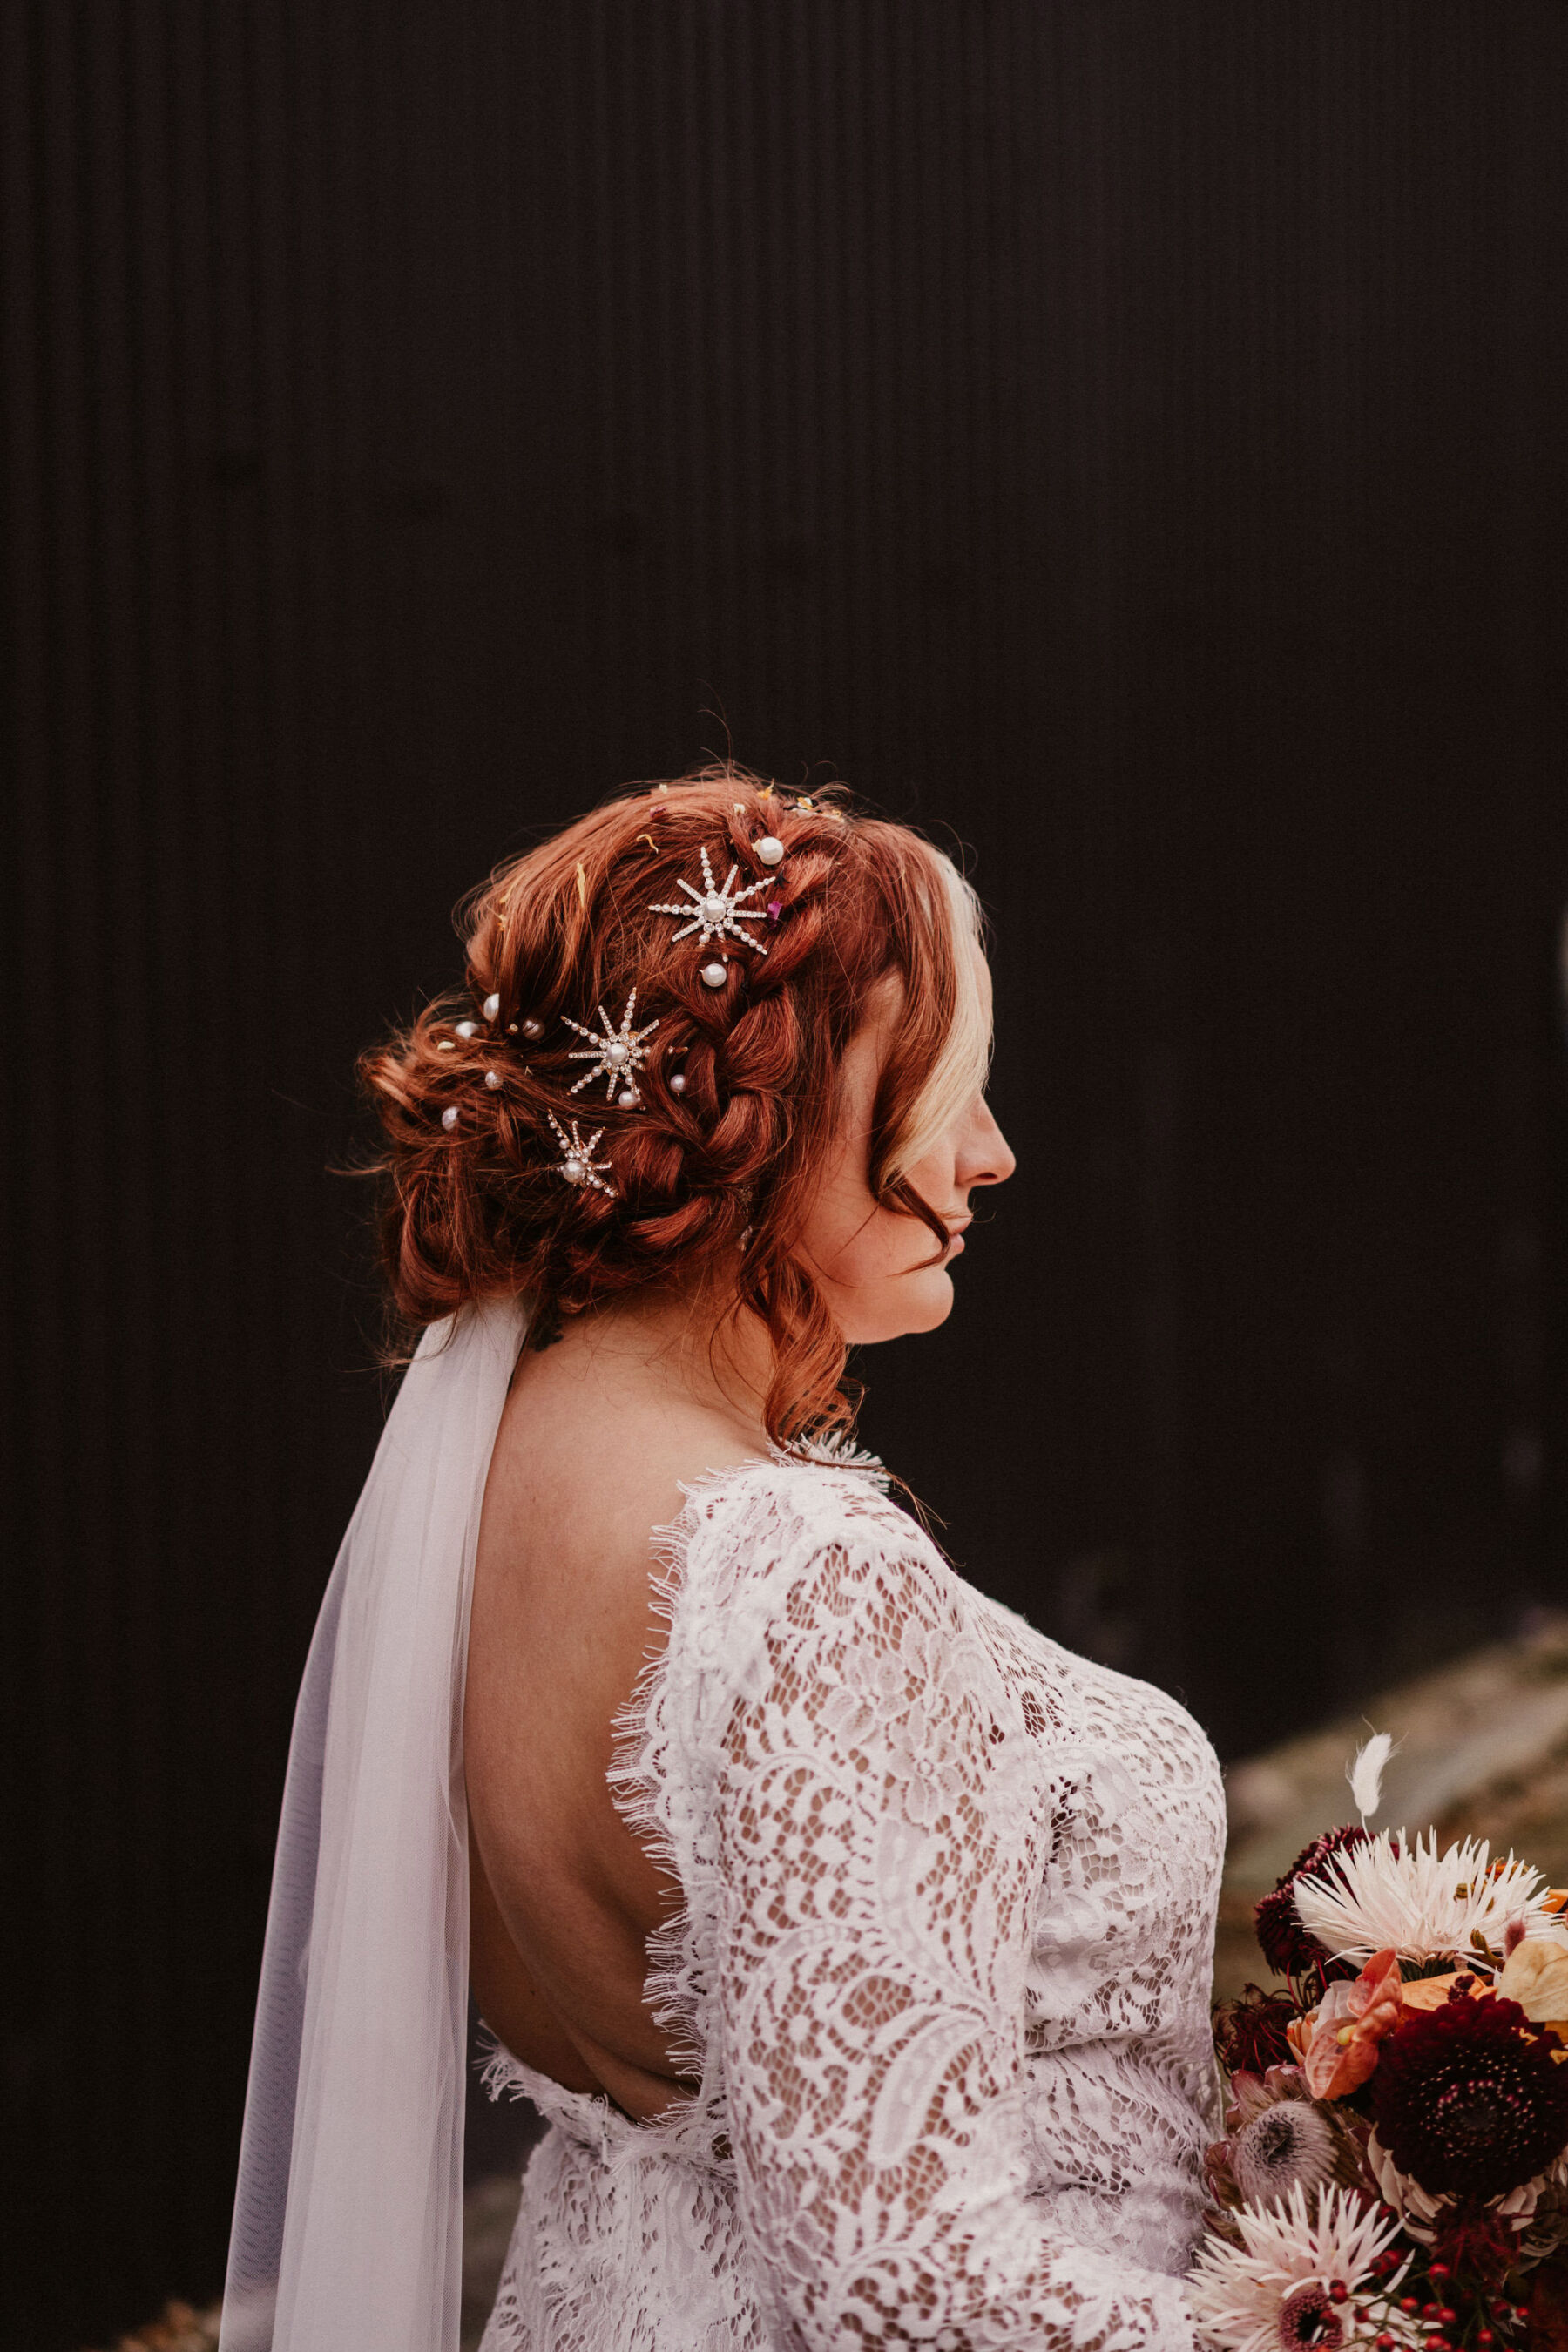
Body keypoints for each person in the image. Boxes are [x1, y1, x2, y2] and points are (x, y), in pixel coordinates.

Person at [220, 767, 1226, 2352]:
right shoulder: (806, 1573)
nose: (993, 1152)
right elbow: (917, 2291)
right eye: (946, 1080)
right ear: (773, 1103)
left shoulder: (479, 1490)